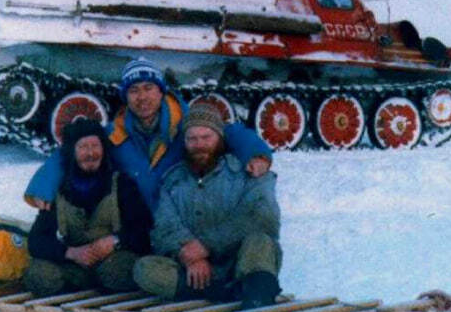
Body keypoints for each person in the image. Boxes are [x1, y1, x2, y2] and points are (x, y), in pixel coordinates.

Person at [24, 58, 272, 213]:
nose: (142, 97)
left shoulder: (187, 124)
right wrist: (43, 185)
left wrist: (256, 154)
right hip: (139, 227)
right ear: (125, 96)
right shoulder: (115, 135)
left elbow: (230, 132)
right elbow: (72, 151)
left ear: (161, 91)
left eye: (148, 88)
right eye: (133, 90)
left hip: (186, 224)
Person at [133, 103, 281, 310]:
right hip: (193, 269)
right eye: (192, 139)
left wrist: (206, 245)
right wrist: (188, 254)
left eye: (206, 137)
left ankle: (256, 301)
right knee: (144, 269)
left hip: (240, 262)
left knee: (261, 242)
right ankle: (226, 291)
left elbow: (263, 218)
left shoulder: (248, 172)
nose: (199, 145)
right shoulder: (173, 180)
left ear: (220, 138)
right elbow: (164, 227)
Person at [22, 117, 153, 296]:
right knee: (39, 274)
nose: (90, 153)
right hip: (75, 262)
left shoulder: (121, 183)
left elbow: (143, 230)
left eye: (95, 146)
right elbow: (37, 240)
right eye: (83, 147)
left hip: (113, 260)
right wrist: (70, 253)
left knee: (119, 271)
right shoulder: (58, 188)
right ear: (72, 152)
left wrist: (115, 241)